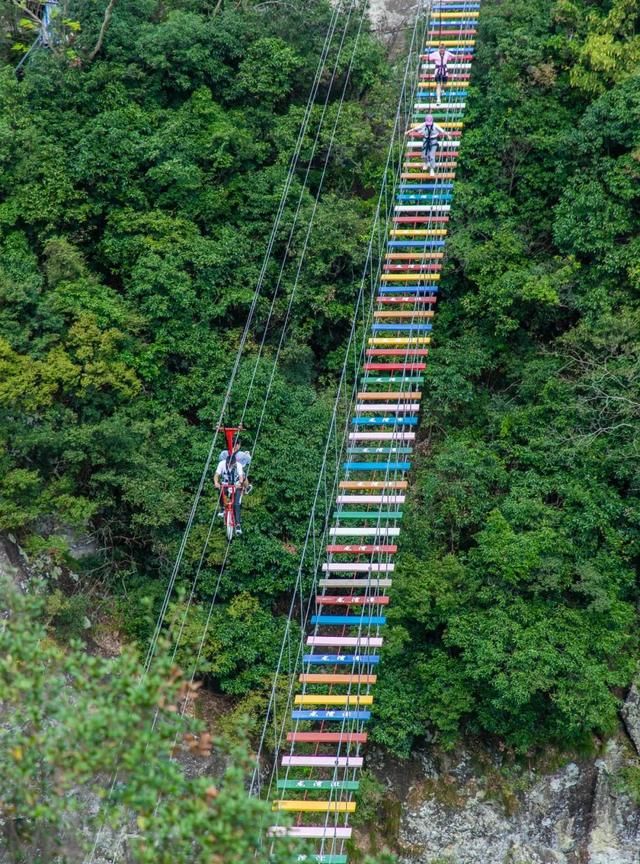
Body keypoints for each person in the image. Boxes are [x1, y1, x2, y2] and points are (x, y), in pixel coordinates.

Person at [214, 447, 244, 536]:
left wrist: (240, 482)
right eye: (229, 464)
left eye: (232, 465)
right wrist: (216, 482)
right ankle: (222, 508)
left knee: (236, 504)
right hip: (226, 484)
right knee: (220, 490)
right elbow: (216, 475)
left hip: (236, 484)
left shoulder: (238, 465)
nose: (230, 466)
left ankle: (238, 525)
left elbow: (241, 476)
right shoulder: (221, 464)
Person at [428, 42, 455, 106]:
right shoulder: (435, 53)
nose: (442, 51)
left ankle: (442, 90)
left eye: (443, 49)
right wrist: (422, 56)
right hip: (438, 71)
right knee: (438, 85)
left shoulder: (447, 53)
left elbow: (453, 56)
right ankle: (438, 99)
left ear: (445, 49)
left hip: (444, 70)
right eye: (441, 49)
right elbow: (429, 56)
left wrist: (462, 56)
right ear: (439, 49)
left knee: (444, 83)